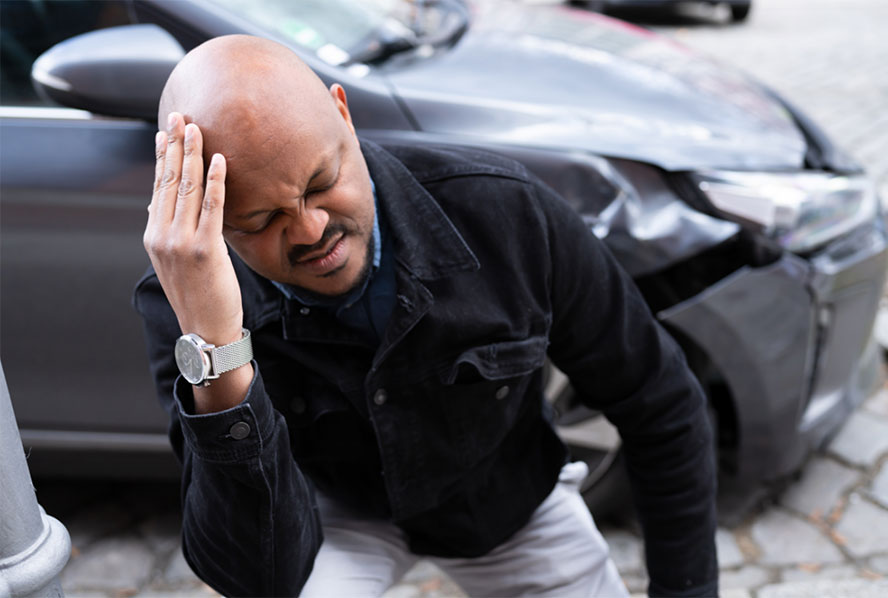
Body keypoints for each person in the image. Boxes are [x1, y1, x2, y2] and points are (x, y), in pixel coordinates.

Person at [134, 34, 718, 598]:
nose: (311, 230)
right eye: (262, 220)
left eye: (321, 183)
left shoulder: (505, 212)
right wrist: (218, 350)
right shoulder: (186, 302)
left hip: (505, 502)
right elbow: (254, 579)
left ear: (344, 115)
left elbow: (659, 402)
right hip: (325, 514)